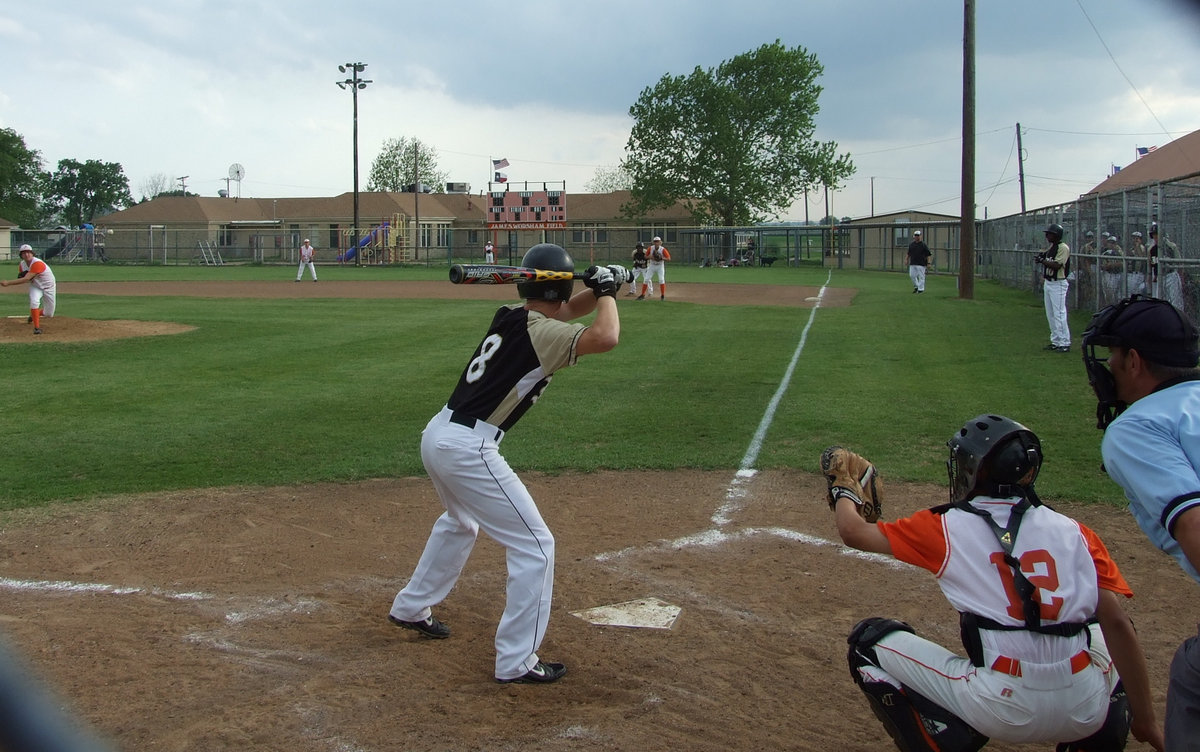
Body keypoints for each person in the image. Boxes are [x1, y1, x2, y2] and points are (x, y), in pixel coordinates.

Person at [831, 414, 1163, 751]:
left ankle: (946, 740)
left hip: (1000, 706)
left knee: (867, 643)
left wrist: (844, 490)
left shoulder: (944, 526)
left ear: (976, 471)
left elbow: (853, 532)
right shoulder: (1077, 532)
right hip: (1085, 709)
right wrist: (1147, 721)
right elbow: (1118, 625)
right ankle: (1099, 741)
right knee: (1106, 624)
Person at [388, 243, 622, 684]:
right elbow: (604, 336)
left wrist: (606, 285)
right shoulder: (544, 333)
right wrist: (606, 292)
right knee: (536, 546)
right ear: (562, 286)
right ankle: (517, 660)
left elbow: (567, 309)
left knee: (461, 523)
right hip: (469, 448)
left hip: (438, 435)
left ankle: (411, 607)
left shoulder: (510, 315)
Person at [1081, 294, 1200, 750]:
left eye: (1113, 354)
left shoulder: (1137, 427)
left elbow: (1194, 527)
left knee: (1192, 677)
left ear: (1134, 361)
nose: (1106, 365)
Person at [1, 244, 56, 335]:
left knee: (49, 314)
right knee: (34, 302)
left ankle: (35, 314)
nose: (26, 255)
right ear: (21, 255)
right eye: (24, 253)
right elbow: (23, 275)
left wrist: (8, 283)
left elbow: (26, 279)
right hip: (35, 286)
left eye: (28, 252)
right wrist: (21, 276)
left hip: (48, 288)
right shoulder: (22, 264)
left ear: (32, 253)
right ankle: (36, 328)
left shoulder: (37, 263)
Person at [1036, 223, 1071, 352]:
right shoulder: (1052, 247)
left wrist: (1042, 261)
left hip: (1058, 283)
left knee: (1059, 313)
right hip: (1049, 283)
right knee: (1050, 313)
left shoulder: (1063, 248)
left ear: (1056, 235)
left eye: (1049, 234)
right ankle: (1056, 340)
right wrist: (1041, 257)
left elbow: (1057, 265)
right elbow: (1045, 257)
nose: (1047, 236)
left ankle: (1064, 342)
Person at [1148, 224, 1184, 312]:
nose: (1155, 237)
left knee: (1175, 302)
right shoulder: (1152, 249)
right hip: (1160, 278)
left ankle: (1179, 321)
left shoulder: (1171, 246)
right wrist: (1154, 277)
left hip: (1171, 276)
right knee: (1158, 300)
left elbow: (1179, 263)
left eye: (1157, 234)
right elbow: (1153, 265)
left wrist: (1182, 278)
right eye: (1154, 235)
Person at [638, 236, 671, 300]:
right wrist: (649, 257)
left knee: (661, 280)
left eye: (657, 241)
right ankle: (642, 295)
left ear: (660, 242)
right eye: (655, 241)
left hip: (660, 266)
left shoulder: (663, 249)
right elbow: (645, 256)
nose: (656, 243)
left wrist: (661, 258)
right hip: (652, 266)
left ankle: (662, 296)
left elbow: (669, 258)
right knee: (646, 279)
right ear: (653, 242)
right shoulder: (650, 248)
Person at [1100, 233, 1125, 306]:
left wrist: (1111, 265)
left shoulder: (1119, 252)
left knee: (1115, 293)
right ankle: (1109, 307)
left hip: (1116, 274)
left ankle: (1115, 307)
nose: (1111, 244)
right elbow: (1101, 264)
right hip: (1106, 274)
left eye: (1113, 243)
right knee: (1107, 293)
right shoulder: (1105, 251)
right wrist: (1105, 266)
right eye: (1109, 242)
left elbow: (1123, 263)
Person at [906, 230, 932, 294]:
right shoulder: (911, 245)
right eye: (916, 236)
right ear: (914, 236)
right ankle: (916, 286)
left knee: (921, 276)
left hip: (921, 263)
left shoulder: (923, 245)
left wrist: (929, 263)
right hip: (913, 263)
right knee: (912, 275)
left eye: (918, 235)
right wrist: (906, 260)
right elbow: (909, 253)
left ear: (920, 236)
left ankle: (921, 289)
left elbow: (928, 255)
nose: (917, 237)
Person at [1127, 231, 1148, 295]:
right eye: (1133, 238)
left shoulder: (1142, 247)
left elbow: (1142, 259)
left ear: (1140, 239)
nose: (1135, 240)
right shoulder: (1132, 248)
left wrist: (1137, 246)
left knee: (1135, 293)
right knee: (1129, 293)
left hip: (1138, 274)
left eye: (1137, 238)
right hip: (1131, 273)